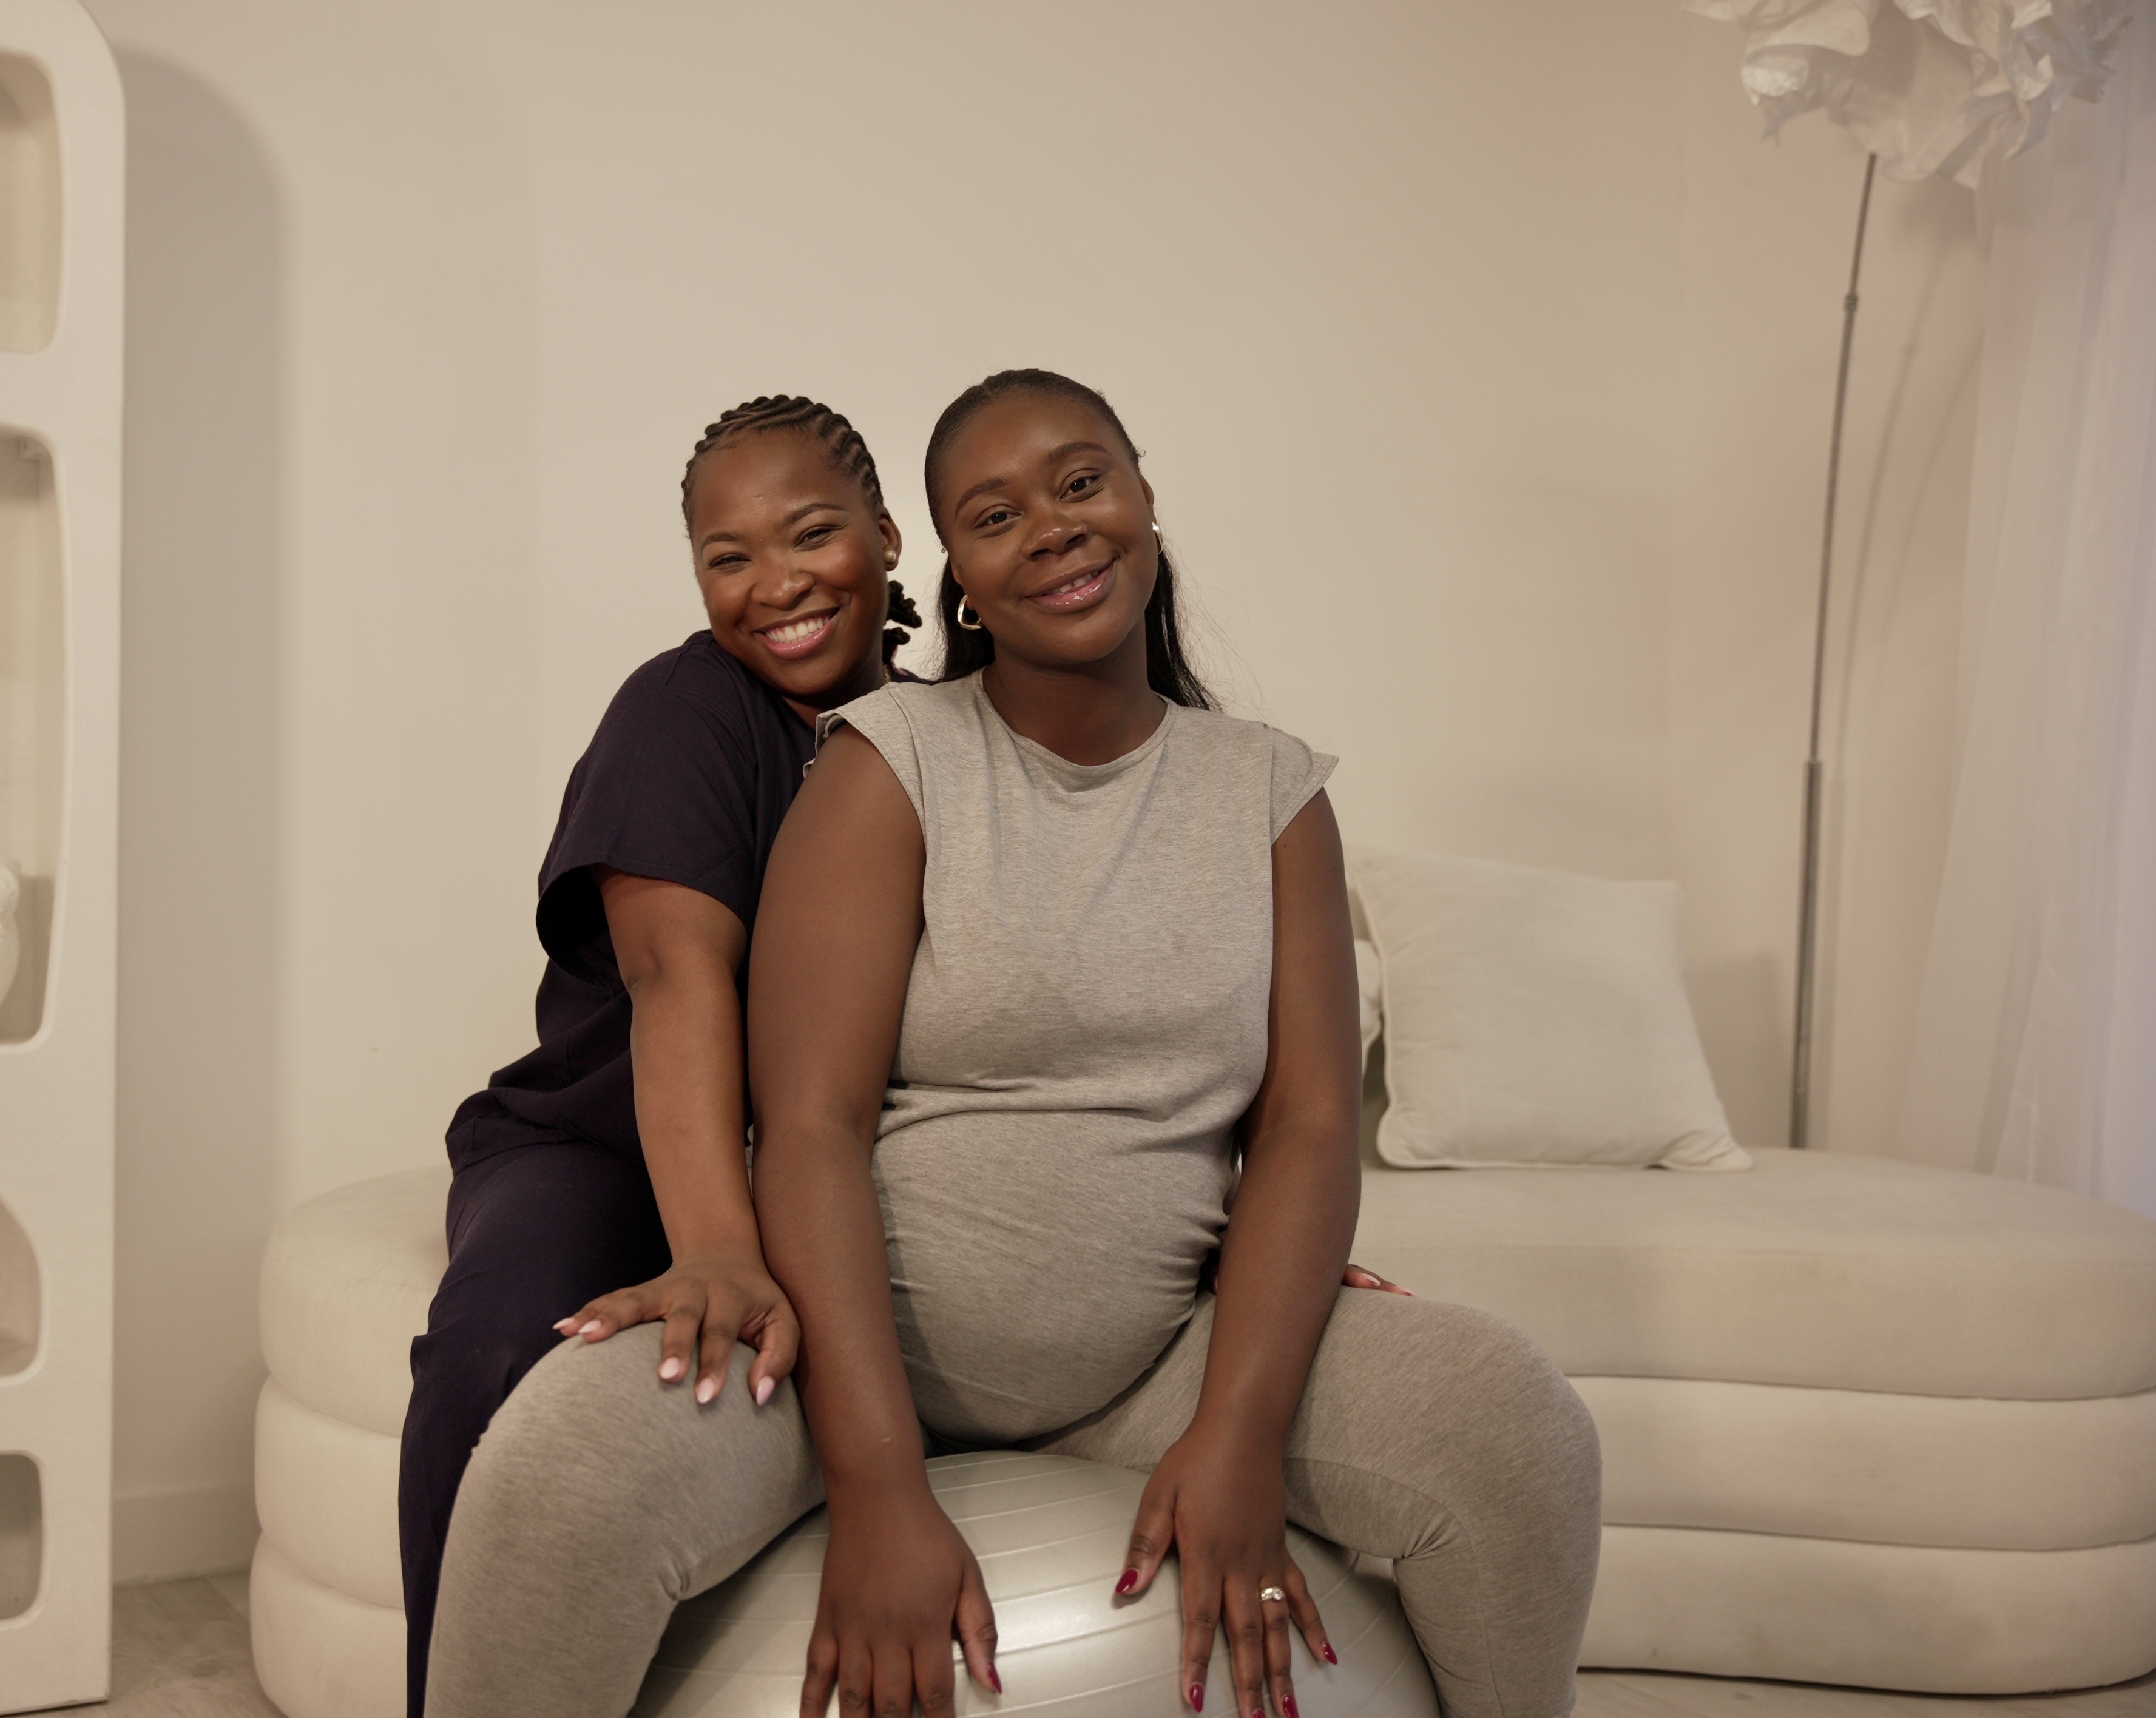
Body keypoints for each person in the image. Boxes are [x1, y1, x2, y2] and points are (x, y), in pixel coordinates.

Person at [422, 373, 1574, 1718]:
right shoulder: (880, 756)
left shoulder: (1271, 792)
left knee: (1512, 1425)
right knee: (553, 1467)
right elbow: (799, 1113)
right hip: (842, 1359)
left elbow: (1308, 1125)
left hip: (1153, 1361)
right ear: (957, 570)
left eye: (1080, 483)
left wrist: (1244, 1418)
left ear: (1143, 494)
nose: (1051, 526)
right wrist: (875, 1481)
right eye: (994, 513)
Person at [396, 394, 922, 1716]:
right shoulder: (686, 708)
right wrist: (720, 1252)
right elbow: (672, 976)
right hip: (606, 1147)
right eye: (728, 556)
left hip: (827, 1156)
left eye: (811, 534)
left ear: (887, 537)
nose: (776, 584)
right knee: (494, 1350)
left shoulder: (947, 736)